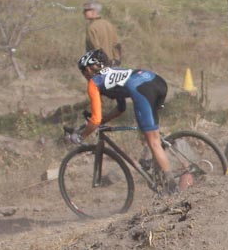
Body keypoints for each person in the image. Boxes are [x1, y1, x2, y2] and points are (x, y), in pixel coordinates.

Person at [70, 49, 175, 184]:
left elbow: (95, 120)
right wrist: (103, 120)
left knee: (153, 142)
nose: (84, 74)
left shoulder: (94, 83)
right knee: (149, 133)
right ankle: (154, 161)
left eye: (84, 70)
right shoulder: (114, 73)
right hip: (157, 82)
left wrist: (80, 136)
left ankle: (172, 186)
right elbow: (121, 108)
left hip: (142, 89)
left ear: (91, 68)